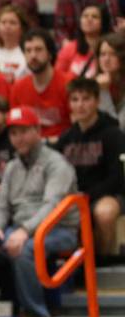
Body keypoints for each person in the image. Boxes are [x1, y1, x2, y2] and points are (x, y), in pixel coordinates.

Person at [0, 106, 79, 317]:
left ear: (38, 130)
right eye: (14, 133)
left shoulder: (56, 163)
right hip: (19, 227)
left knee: (24, 249)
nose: (18, 138)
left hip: (58, 228)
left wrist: (25, 231)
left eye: (24, 131)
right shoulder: (11, 167)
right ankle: (0, 312)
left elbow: (53, 206)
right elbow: (1, 205)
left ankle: (36, 314)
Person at [56, 78, 125, 255]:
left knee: (104, 212)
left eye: (86, 99)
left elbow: (117, 178)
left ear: (97, 101)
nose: (80, 105)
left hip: (109, 194)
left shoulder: (113, 134)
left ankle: (104, 261)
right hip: (74, 197)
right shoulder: (66, 137)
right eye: (75, 99)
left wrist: (87, 196)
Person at [10, 29, 71, 140]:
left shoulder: (68, 83)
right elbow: (15, 125)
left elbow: (77, 125)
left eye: (38, 50)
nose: (33, 55)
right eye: (28, 51)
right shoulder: (18, 87)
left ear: (50, 54)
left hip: (63, 144)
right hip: (29, 146)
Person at [56, 4, 108, 80]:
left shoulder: (110, 47)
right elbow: (58, 76)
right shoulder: (69, 48)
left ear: (103, 22)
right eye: (85, 16)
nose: (89, 19)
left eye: (95, 17)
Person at [0, 5, 29, 85]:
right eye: (3, 22)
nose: (7, 26)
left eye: (12, 23)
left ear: (22, 28)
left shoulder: (28, 51)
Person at [97, 33, 125, 129]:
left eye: (113, 54)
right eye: (102, 54)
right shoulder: (93, 83)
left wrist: (104, 92)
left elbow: (117, 128)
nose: (106, 59)